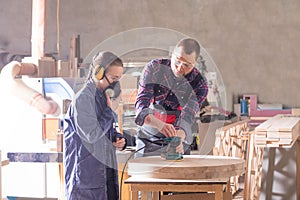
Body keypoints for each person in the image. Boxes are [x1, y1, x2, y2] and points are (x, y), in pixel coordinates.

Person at [63, 51, 127, 200]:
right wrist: (110, 110)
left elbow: (106, 129)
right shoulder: (83, 100)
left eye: (119, 78)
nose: (116, 83)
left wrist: (117, 139)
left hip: (104, 173)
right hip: (86, 178)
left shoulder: (103, 96)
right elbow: (92, 134)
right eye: (113, 78)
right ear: (99, 73)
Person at [134, 38, 209, 157]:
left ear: (195, 64)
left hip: (177, 140)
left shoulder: (200, 84)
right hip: (148, 139)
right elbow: (142, 104)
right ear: (171, 54)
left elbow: (188, 115)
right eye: (178, 61)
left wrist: (180, 135)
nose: (180, 68)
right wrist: (160, 125)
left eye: (187, 65)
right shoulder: (154, 68)